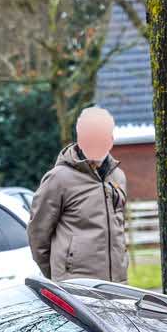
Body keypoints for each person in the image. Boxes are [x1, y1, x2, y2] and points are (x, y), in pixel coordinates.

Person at [29, 107, 129, 282]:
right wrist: (59, 276)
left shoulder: (118, 176)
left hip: (118, 285)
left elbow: (119, 228)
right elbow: (38, 236)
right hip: (76, 287)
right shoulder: (58, 178)